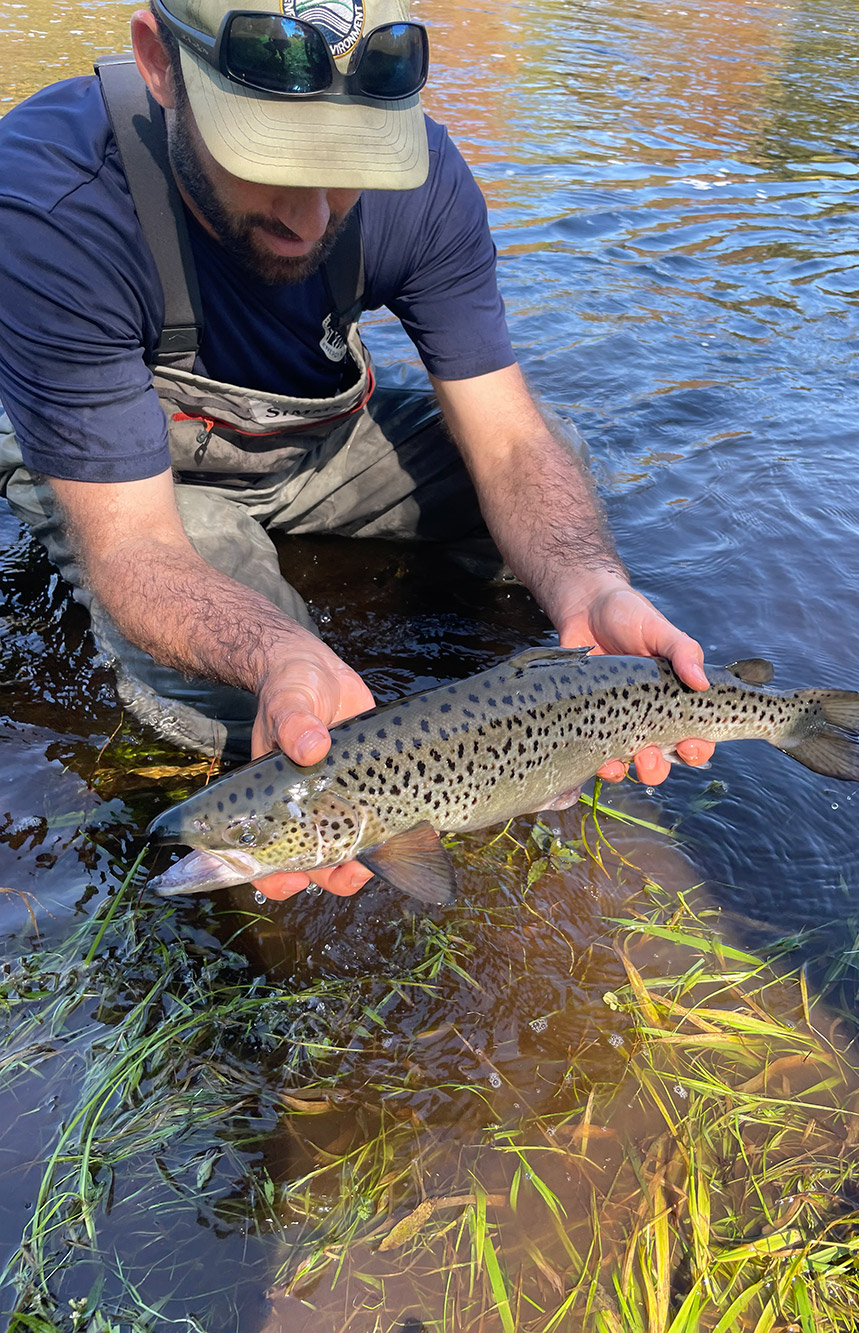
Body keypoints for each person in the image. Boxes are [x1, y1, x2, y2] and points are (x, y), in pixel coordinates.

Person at [0, 0, 714, 902]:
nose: (313, 216)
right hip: (129, 485)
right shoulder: (50, 208)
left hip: (309, 443)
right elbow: (136, 546)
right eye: (271, 157)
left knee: (553, 484)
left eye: (350, 169)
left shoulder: (425, 179)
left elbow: (508, 439)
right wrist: (276, 656)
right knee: (262, 694)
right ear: (158, 63)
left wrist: (590, 585)